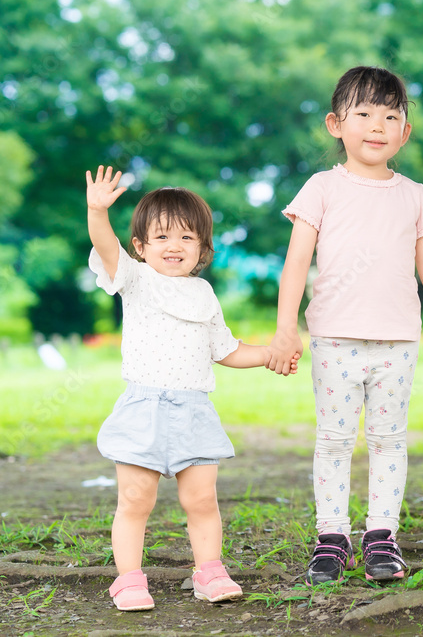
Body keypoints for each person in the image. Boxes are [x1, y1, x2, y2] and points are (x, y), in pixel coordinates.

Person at [266, 66, 423, 585]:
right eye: (363, 114)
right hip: (334, 338)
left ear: (404, 132)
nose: (377, 125)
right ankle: (331, 537)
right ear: (337, 123)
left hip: (397, 342)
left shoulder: (414, 195)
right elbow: (296, 263)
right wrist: (285, 328)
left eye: (391, 116)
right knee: (334, 440)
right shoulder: (321, 188)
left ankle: (382, 536)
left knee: (389, 440)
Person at [86, 166, 298, 610]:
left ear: (202, 247)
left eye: (186, 237)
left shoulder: (204, 294)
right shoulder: (135, 279)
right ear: (140, 248)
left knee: (201, 498)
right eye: (161, 238)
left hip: (194, 410)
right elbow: (105, 246)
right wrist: (97, 211)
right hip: (144, 407)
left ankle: (210, 572)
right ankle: (128, 580)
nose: (174, 246)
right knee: (135, 499)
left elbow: (226, 350)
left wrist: (272, 353)